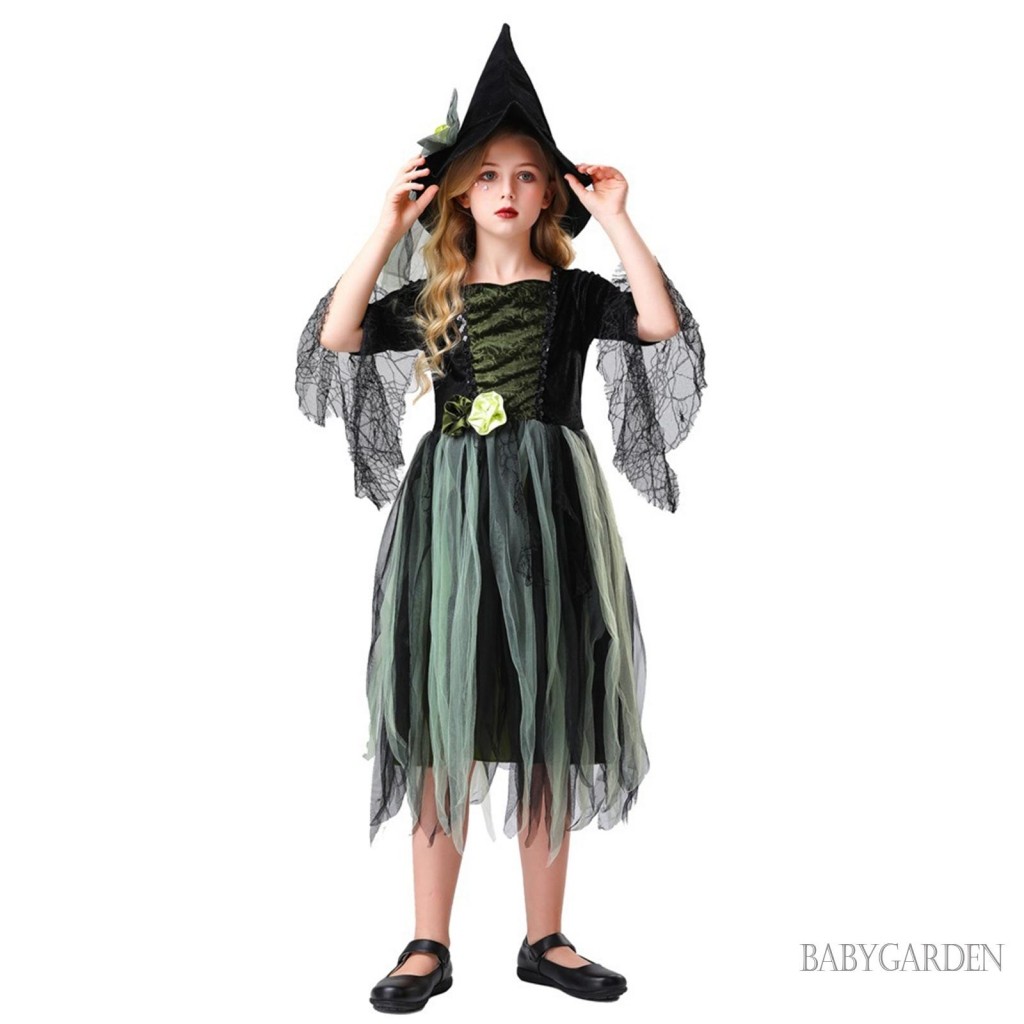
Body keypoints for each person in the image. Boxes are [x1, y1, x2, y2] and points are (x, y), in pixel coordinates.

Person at [295, 24, 706, 1013]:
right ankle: (426, 942)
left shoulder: (575, 294)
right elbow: (339, 333)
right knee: (444, 706)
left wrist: (617, 217)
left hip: (552, 516)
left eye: (527, 175)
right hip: (450, 519)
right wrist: (388, 225)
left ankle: (545, 938)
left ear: (551, 194)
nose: (509, 190)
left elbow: (658, 322)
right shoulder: (432, 296)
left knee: (547, 710)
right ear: (458, 195)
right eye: (487, 176)